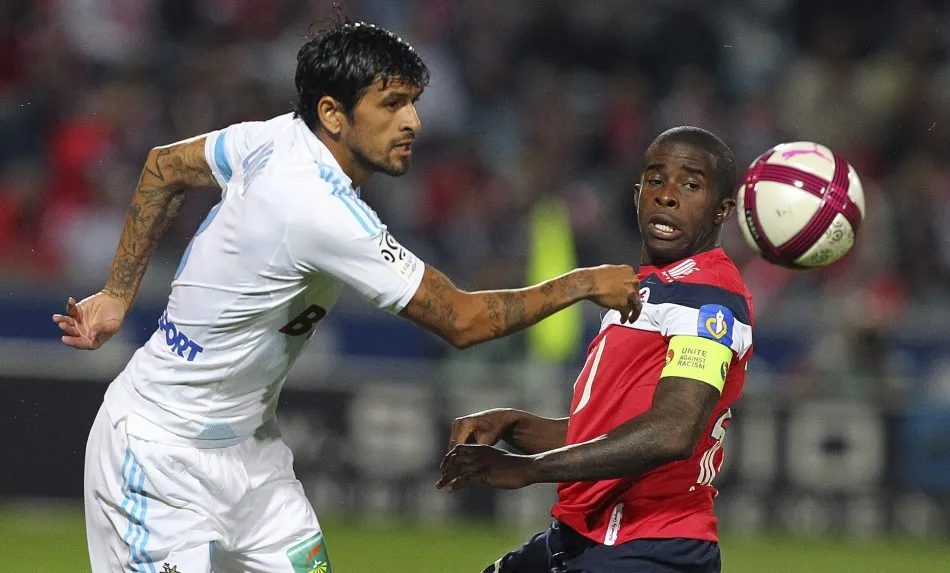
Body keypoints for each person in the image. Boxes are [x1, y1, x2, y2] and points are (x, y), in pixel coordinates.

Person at [51, 20, 642, 573]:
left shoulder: (274, 137)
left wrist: (117, 294)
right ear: (332, 114)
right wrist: (582, 283)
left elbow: (164, 166)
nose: (413, 121)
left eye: (413, 102)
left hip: (253, 458)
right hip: (157, 455)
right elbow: (462, 320)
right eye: (392, 104)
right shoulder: (317, 208)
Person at [438, 126, 754, 573]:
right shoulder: (642, 289)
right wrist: (516, 425)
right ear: (637, 195)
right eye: (656, 179)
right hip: (585, 536)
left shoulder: (708, 297)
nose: (667, 195)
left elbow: (673, 430)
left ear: (722, 210)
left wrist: (531, 469)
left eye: (690, 185)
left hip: (648, 547)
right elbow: (608, 433)